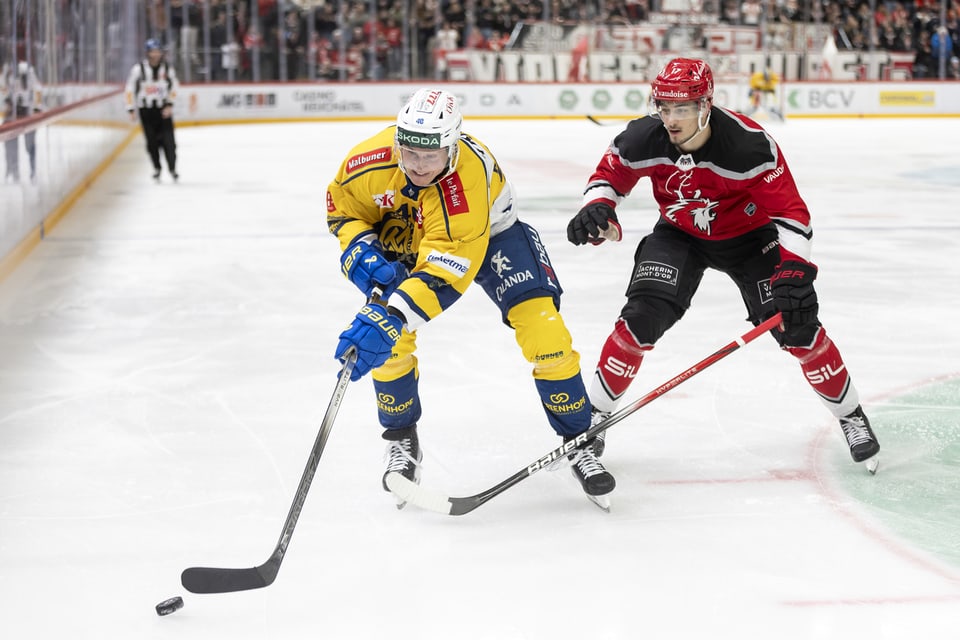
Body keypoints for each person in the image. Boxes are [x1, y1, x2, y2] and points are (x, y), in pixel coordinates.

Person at [566, 58, 879, 470]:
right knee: (640, 318)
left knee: (799, 327)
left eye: (682, 108)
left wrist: (795, 270)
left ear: (706, 106)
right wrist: (598, 206)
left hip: (751, 240)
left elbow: (791, 216)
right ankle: (595, 417)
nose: (671, 119)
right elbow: (610, 174)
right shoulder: (644, 136)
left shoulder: (748, 145)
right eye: (664, 107)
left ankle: (851, 416)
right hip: (680, 235)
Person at [329, 88, 615, 509]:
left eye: (430, 156)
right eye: (409, 152)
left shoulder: (467, 181)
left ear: (453, 145)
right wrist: (359, 247)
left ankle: (579, 438)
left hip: (493, 235)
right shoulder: (368, 161)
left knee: (543, 330)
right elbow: (343, 207)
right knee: (389, 343)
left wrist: (390, 315)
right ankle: (402, 440)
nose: (418, 165)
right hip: (411, 232)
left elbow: (446, 273)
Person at [124, 39, 179, 182]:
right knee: (151, 142)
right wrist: (131, 108)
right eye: (152, 52)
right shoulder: (139, 69)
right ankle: (157, 168)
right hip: (146, 111)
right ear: (148, 53)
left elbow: (175, 87)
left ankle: (172, 168)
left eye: (158, 51)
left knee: (169, 142)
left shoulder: (167, 69)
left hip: (163, 110)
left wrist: (170, 104)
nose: (155, 54)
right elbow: (129, 89)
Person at [2, 60, 43, 183]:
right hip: (13, 117)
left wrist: (35, 109)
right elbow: (6, 97)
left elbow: (38, 92)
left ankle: (33, 172)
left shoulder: (31, 76)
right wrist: (9, 104)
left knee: (30, 146)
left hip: (27, 117)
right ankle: (12, 172)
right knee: (10, 143)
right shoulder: (9, 76)